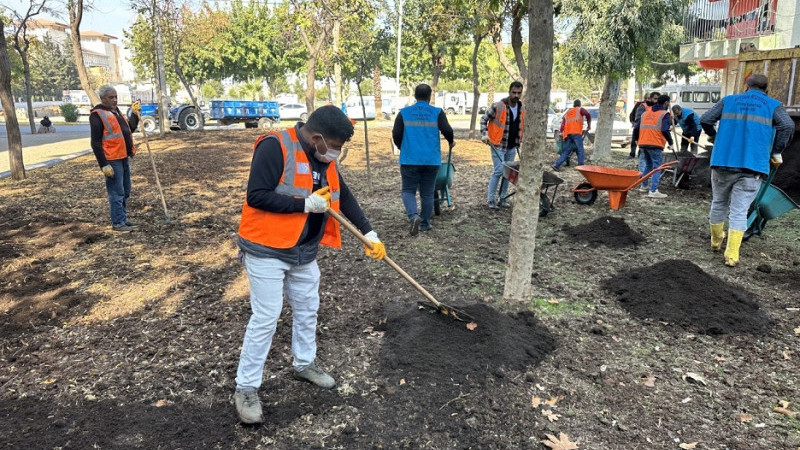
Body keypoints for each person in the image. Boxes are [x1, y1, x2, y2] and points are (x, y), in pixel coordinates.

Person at [233, 105, 387, 425]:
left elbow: (344, 195)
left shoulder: (322, 157)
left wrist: (368, 232)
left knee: (308, 308)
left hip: (304, 252)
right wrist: (303, 204)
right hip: (267, 250)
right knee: (266, 316)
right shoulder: (275, 147)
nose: (336, 153)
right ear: (317, 137)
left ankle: (304, 364)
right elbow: (256, 196)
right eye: (336, 146)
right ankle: (245, 388)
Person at [700, 74, 793, 267]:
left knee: (719, 202)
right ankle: (732, 255)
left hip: (723, 161)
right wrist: (776, 151)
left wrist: (715, 136)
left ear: (746, 86)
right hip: (753, 166)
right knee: (739, 211)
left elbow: (706, 119)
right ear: (767, 89)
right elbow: (787, 125)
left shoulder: (728, 101)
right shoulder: (773, 105)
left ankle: (716, 242)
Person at [392, 83, 455, 235]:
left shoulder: (404, 113)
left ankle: (413, 216)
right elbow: (447, 129)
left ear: (415, 95)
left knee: (408, 190)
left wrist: (402, 147)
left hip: (409, 159)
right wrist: (451, 141)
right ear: (429, 96)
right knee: (427, 193)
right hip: (431, 160)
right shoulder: (437, 112)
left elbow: (396, 134)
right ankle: (425, 223)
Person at [90, 85, 140, 232]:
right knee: (116, 192)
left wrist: (135, 115)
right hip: (112, 159)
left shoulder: (116, 112)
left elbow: (129, 129)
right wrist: (103, 164)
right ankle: (118, 223)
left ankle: (122, 218)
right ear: (103, 98)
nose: (114, 100)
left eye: (115, 97)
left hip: (123, 156)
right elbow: (95, 142)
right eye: (111, 97)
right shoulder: (97, 114)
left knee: (125, 190)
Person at [480, 81, 525, 209]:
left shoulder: (522, 108)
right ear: (509, 92)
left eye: (519, 93)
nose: (516, 95)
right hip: (498, 144)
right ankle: (490, 200)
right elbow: (484, 119)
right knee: (499, 171)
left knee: (508, 173)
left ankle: (503, 199)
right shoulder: (498, 106)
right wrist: (485, 134)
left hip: (512, 146)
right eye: (514, 92)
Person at [634, 94, 673, 198]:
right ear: (666, 103)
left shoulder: (645, 113)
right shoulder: (665, 114)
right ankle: (653, 190)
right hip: (655, 143)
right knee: (657, 167)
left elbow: (636, 128)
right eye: (669, 103)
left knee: (648, 165)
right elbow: (664, 130)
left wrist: (637, 139)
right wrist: (671, 142)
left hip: (643, 143)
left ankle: (644, 186)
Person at [552, 99, 591, 172]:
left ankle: (556, 165)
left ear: (573, 105)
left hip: (567, 134)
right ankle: (581, 166)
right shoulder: (580, 110)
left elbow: (563, 123)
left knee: (566, 151)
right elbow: (588, 115)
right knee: (580, 150)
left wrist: (561, 132)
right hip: (576, 133)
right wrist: (589, 125)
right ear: (579, 105)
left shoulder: (568, 112)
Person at [629, 92, 660, 159]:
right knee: (634, 141)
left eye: (648, 98)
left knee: (642, 144)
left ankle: (640, 155)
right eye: (645, 98)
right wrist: (633, 122)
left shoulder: (655, 107)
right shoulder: (640, 105)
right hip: (638, 126)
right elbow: (633, 114)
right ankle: (632, 154)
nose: (647, 99)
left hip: (646, 129)